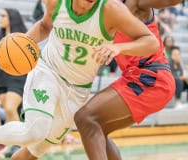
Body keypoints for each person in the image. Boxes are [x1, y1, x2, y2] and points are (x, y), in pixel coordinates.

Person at [0, 0, 160, 159]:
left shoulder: (112, 9)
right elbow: (45, 26)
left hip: (78, 89)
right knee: (35, 131)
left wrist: (118, 48)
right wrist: (23, 43)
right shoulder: (57, 2)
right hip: (49, 72)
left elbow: (150, 42)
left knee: (35, 150)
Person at [74, 0, 179, 159]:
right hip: (136, 78)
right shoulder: (105, 10)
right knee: (97, 128)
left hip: (151, 77)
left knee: (85, 117)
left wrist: (117, 48)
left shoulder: (134, 3)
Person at [0, 8, 27, 123]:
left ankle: (17, 140)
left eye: (3, 16)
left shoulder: (22, 36)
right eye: (0, 16)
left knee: (10, 109)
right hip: (1, 77)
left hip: (17, 77)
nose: (0, 19)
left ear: (12, 18)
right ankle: (12, 139)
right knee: (10, 112)